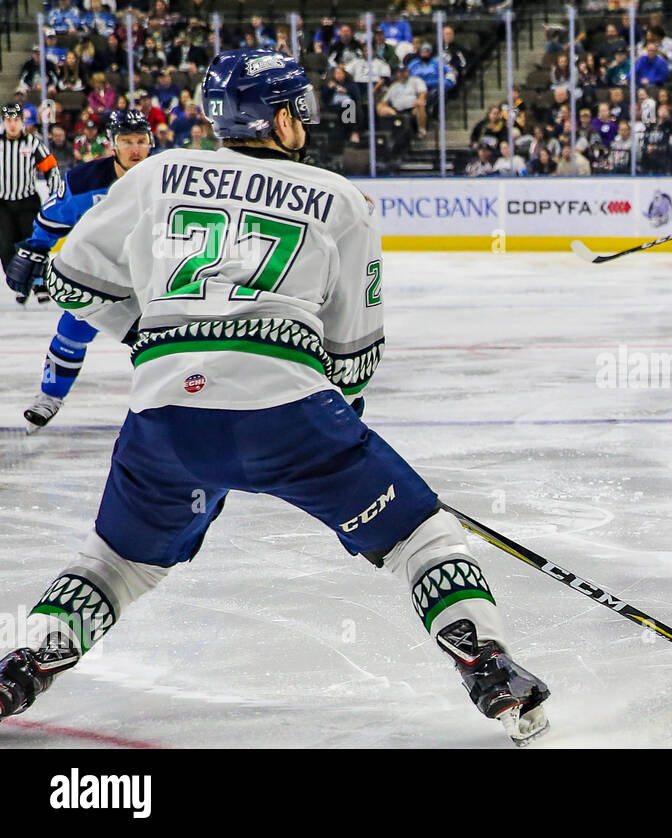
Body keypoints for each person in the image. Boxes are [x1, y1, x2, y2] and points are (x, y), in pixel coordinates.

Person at [0, 50, 550, 747]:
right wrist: (338, 431)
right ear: (281, 115)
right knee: (421, 535)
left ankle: (23, 666)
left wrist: (151, 336)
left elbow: (71, 277)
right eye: (299, 107)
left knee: (115, 564)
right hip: (292, 416)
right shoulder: (342, 199)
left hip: (164, 417)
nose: (306, 120)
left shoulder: (159, 172)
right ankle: (489, 669)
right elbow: (355, 357)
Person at [6, 110, 153, 433]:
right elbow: (54, 219)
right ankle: (49, 398)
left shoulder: (167, 177)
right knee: (72, 332)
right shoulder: (85, 180)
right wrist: (37, 247)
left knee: (161, 346)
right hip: (101, 277)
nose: (135, 149)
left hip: (155, 279)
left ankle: (167, 409)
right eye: (126, 141)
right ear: (112, 144)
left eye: (141, 141)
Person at [1, 104, 62, 304]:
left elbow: (51, 168)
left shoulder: (32, 143)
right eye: (9, 121)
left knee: (34, 244)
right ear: (3, 122)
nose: (12, 125)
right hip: (2, 204)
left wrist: (55, 193)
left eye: (16, 120)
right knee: (6, 247)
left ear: (22, 122)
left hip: (27, 202)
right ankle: (19, 284)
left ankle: (40, 283)